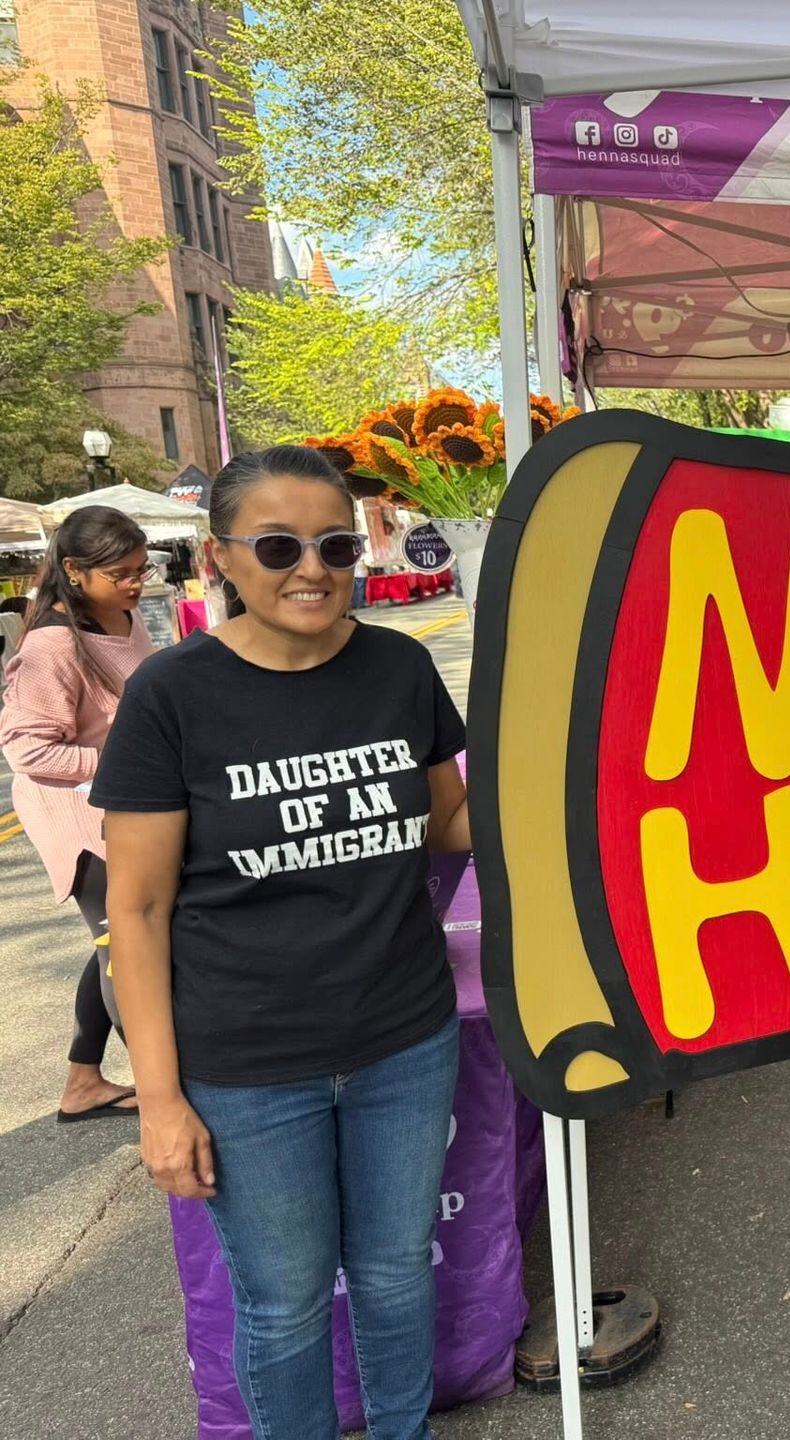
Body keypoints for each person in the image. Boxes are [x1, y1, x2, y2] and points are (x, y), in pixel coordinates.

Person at [95, 446, 470, 1439]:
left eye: (337, 544)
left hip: (405, 1038)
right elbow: (132, 912)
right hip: (247, 1068)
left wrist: (589, 774)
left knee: (395, 1274)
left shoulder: (399, 666)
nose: (312, 567)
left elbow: (448, 824)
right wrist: (161, 1101)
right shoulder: (172, 697)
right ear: (220, 559)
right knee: (287, 1303)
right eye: (278, 545)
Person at [0, 507, 156, 1121]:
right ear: (74, 570)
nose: (136, 583)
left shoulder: (122, 613)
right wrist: (123, 759)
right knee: (126, 943)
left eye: (142, 569)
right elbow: (28, 750)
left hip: (129, 804)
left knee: (113, 940)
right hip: (79, 813)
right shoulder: (52, 646)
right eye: (121, 573)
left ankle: (84, 1081)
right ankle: (161, 1094)